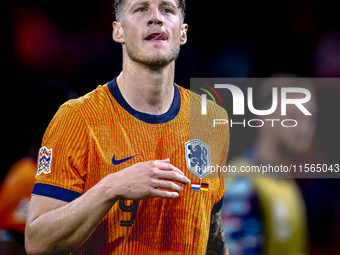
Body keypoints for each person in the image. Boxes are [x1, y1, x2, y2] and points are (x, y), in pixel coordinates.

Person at [24, 1, 230, 255]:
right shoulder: (78, 117)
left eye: (167, 9)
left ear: (183, 32)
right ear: (118, 31)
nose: (156, 18)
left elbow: (212, 232)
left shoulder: (211, 119)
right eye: (141, 9)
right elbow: (38, 243)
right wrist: (112, 187)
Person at [222, 74, 317, 255]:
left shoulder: (285, 182)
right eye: (293, 116)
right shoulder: (243, 184)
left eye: (310, 118)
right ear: (263, 118)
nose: (304, 128)